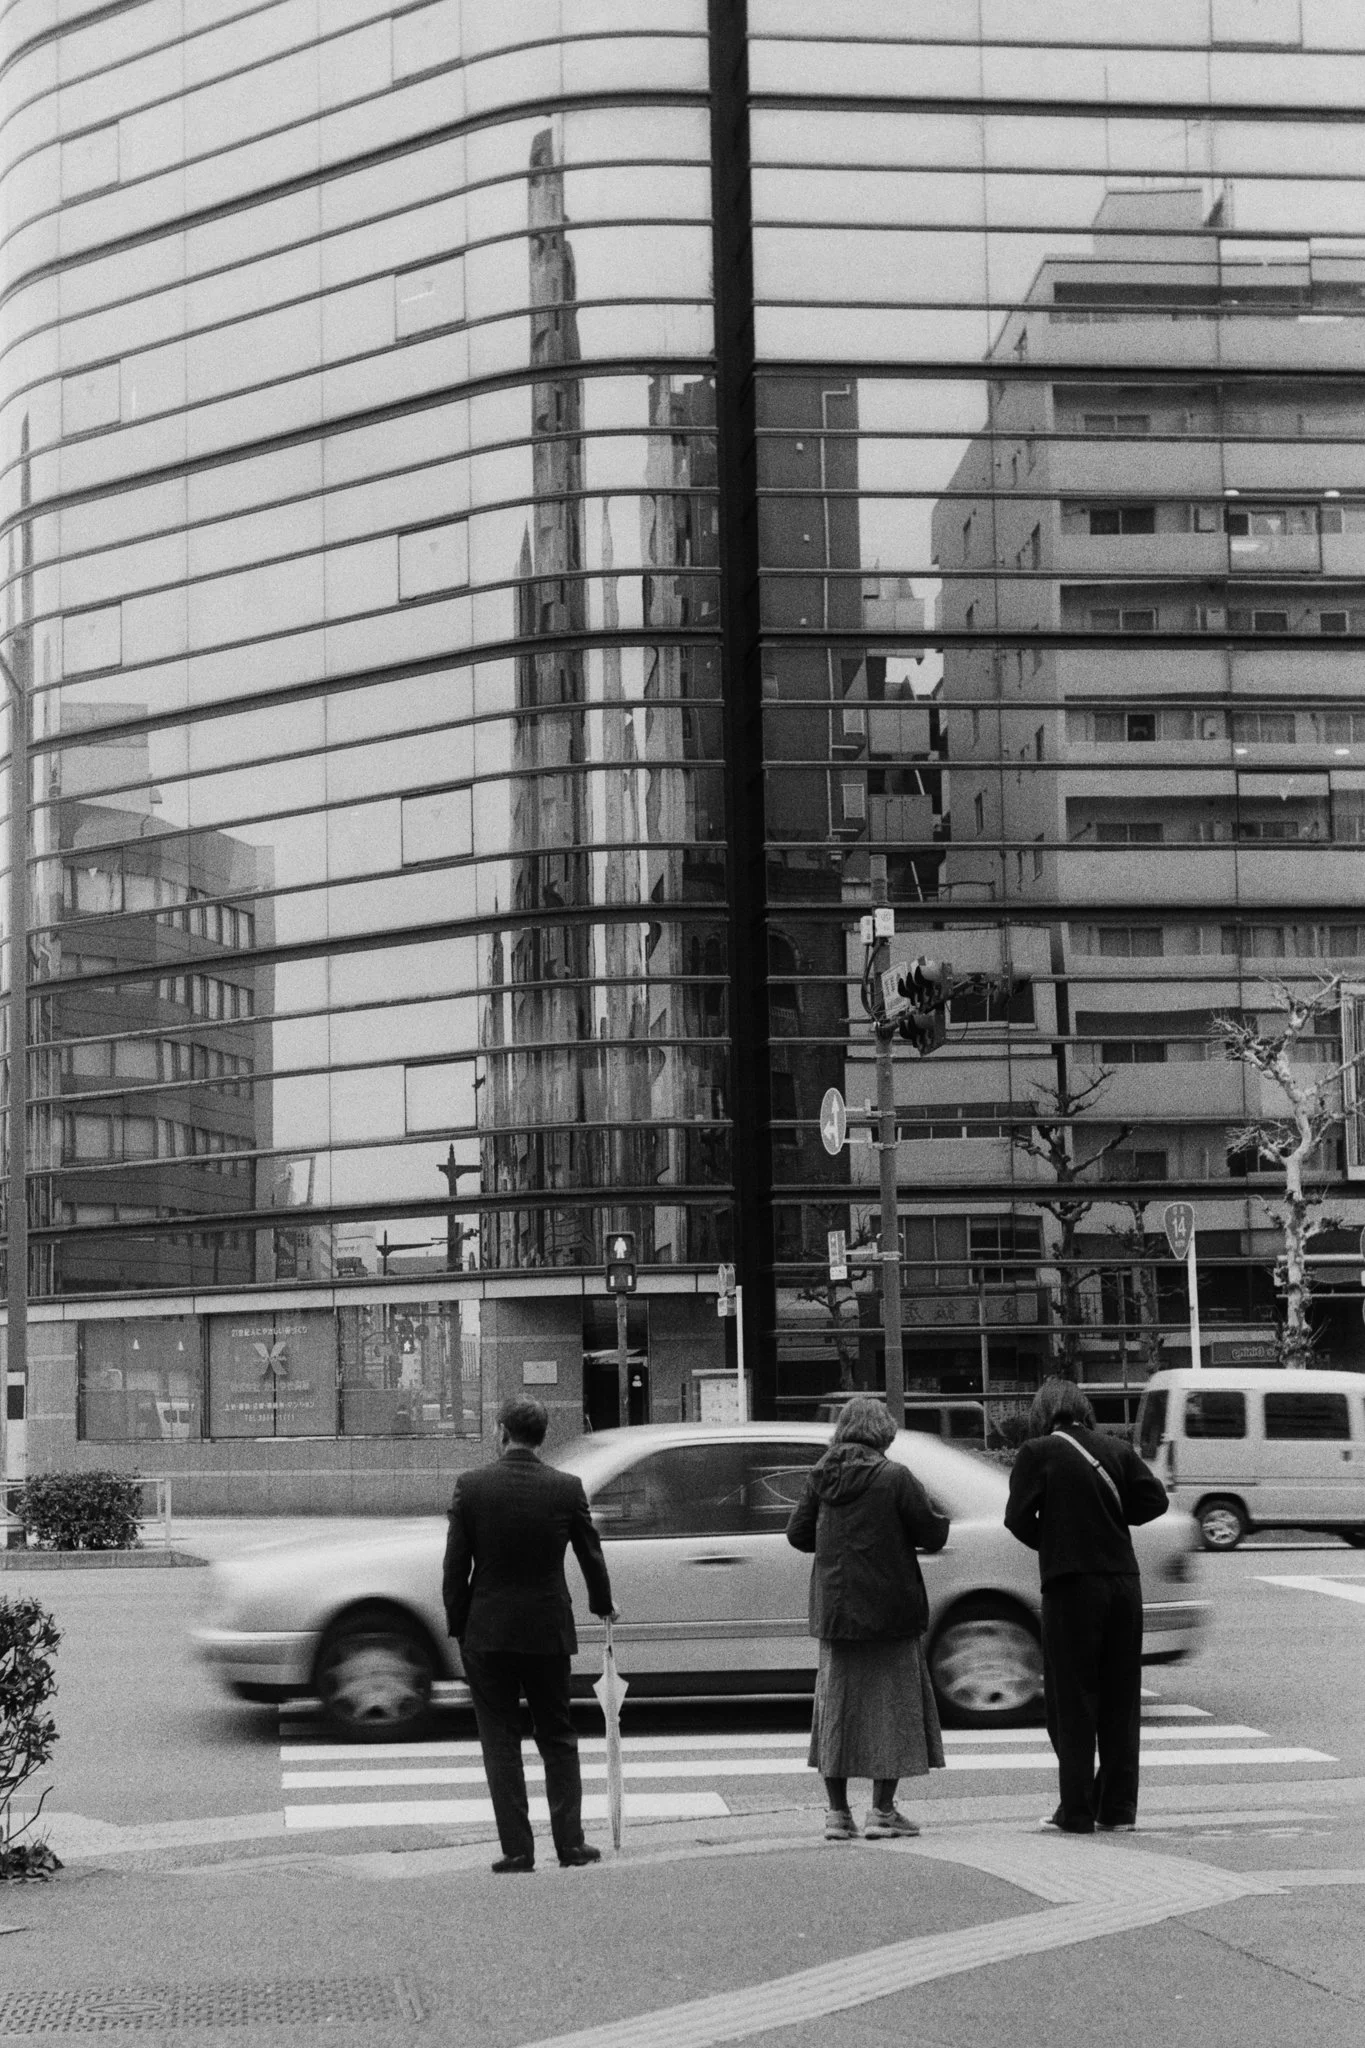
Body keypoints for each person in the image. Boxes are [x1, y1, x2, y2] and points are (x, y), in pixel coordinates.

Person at [442, 1396, 617, 1873]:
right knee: (557, 1735)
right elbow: (590, 1554)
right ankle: (571, 1844)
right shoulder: (566, 1488)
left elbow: (456, 1565)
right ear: (541, 1437)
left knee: (499, 1740)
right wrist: (602, 1604)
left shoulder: (472, 1488)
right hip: (546, 1629)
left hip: (487, 1631)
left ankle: (517, 1849)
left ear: (501, 1431)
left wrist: (460, 1624)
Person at [1004, 1377, 1170, 1835]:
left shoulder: (1037, 1453)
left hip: (1071, 1584)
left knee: (1071, 1699)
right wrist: (1113, 1518)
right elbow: (1154, 1500)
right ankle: (1118, 1809)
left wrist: (1054, 1540)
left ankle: (1076, 1810)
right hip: (1123, 1583)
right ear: (1084, 1409)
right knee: (1120, 1697)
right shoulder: (1114, 1449)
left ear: (1043, 1412)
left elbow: (1015, 1518)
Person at [786, 1394, 950, 1841]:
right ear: (883, 1433)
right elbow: (932, 1534)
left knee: (836, 1713)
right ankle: (882, 1812)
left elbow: (797, 1534)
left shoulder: (820, 1476)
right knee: (892, 1712)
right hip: (890, 1613)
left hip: (837, 1614)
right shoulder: (894, 1477)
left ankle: (838, 1815)